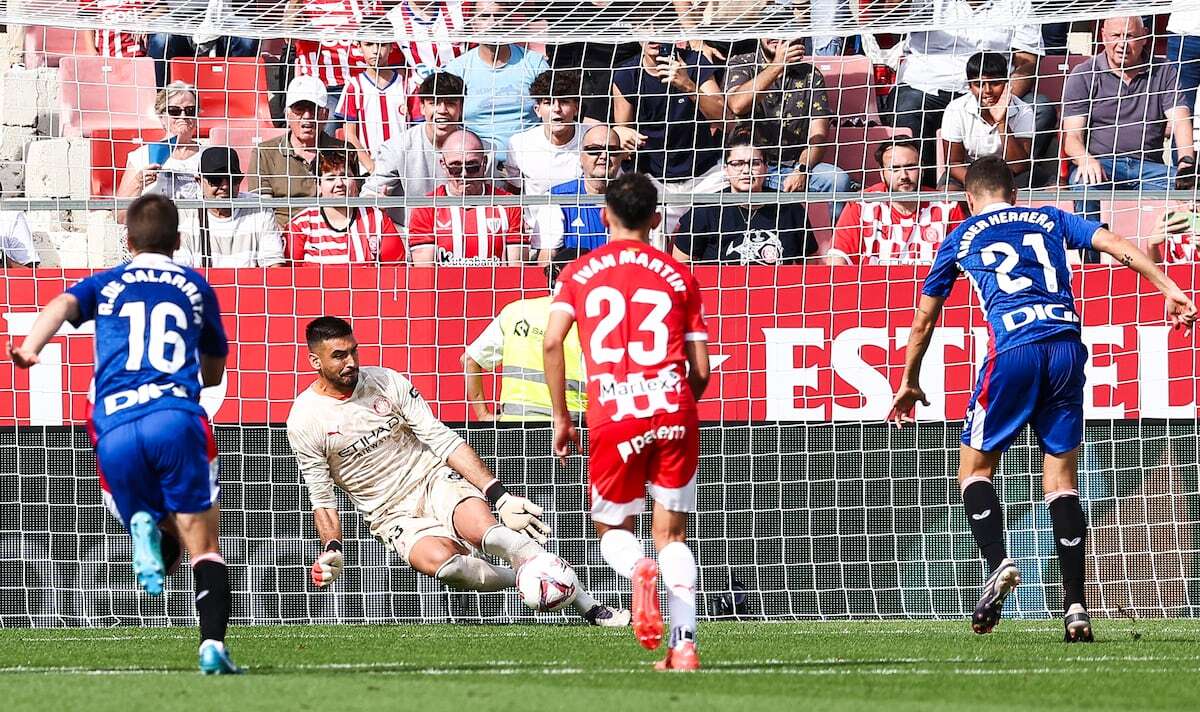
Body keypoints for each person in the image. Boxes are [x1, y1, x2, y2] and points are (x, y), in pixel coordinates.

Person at [889, 155, 1198, 643]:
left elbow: (923, 321)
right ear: (1014, 192)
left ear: (970, 198)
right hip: (1067, 350)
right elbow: (1115, 245)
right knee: (1060, 480)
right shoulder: (1049, 217)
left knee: (974, 471)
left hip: (1013, 349)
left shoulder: (962, 236)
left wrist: (908, 380)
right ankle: (1076, 607)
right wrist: (1170, 289)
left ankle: (997, 565)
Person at [8, 194, 242, 673]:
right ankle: (212, 646)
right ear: (178, 241)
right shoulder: (195, 285)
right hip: (176, 418)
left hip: (114, 422)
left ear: (128, 240)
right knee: (206, 548)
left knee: (139, 505)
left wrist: (31, 347)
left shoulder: (110, 281)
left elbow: (61, 303)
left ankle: (143, 523)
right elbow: (215, 372)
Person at [286, 316, 628, 627]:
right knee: (448, 567)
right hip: (390, 513)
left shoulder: (385, 382)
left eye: (354, 352)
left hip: (433, 479)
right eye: (339, 356)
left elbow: (441, 438)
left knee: (487, 533)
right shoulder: (305, 419)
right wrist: (332, 546)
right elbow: (322, 494)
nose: (351, 362)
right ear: (315, 361)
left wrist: (500, 495)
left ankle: (590, 607)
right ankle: (532, 575)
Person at [543, 173, 711, 671]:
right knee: (674, 537)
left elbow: (552, 342)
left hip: (614, 413)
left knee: (614, 529)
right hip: (674, 407)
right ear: (657, 219)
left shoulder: (578, 272)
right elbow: (699, 367)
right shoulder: (680, 275)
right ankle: (684, 647)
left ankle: (638, 567)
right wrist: (679, 402)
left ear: (604, 216)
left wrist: (561, 417)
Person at [886, 0, 1051, 187]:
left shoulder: (1017, 4)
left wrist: (1003, 99)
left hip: (992, 89)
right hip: (927, 86)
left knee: (1041, 109)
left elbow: (1027, 62)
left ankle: (1007, 181)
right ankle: (922, 190)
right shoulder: (927, 2)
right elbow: (888, 16)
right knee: (907, 107)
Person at [1063, 16, 1196, 224]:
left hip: (1149, 168)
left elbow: (1180, 120)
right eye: (1116, 36)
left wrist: (1186, 165)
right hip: (1102, 165)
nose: (1122, 44)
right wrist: (1085, 159)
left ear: (1144, 37)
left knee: (1192, 190)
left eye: (1130, 36)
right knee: (1084, 184)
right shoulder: (1084, 74)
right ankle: (1091, 256)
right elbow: (1072, 137)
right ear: (1103, 36)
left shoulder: (1164, 70)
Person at [723, 37, 854, 221]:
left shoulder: (810, 74)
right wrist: (777, 65)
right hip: (748, 166)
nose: (778, 36)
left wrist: (802, 169)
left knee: (837, 180)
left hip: (791, 166)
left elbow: (819, 135)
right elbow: (737, 105)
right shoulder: (742, 63)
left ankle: (832, 246)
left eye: (785, 30)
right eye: (771, 29)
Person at [612, 41, 727, 234]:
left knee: (724, 221)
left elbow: (723, 117)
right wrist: (619, 134)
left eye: (661, 26)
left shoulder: (694, 62)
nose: (654, 34)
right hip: (653, 179)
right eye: (647, 26)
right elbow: (625, 144)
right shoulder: (626, 74)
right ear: (636, 33)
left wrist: (688, 86)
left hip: (703, 175)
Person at [463, 259, 587, 422]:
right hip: (573, 426)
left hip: (515, 425)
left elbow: (469, 359)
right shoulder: (592, 320)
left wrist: (482, 415)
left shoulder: (516, 311)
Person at [673, 134, 815, 265]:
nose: (746, 170)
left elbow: (810, 263)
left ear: (766, 168)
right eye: (737, 164)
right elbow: (680, 263)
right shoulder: (705, 210)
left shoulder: (790, 208)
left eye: (754, 163)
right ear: (726, 170)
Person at [828, 140, 967, 265]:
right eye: (894, 168)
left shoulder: (947, 206)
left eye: (911, 167)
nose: (904, 176)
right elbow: (838, 257)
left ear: (922, 170)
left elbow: (964, 257)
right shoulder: (861, 205)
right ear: (882, 174)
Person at [444, 0, 549, 165]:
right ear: (473, 24)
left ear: (509, 22)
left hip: (531, 160)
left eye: (499, 15)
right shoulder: (457, 70)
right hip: (476, 166)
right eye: (485, 16)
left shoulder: (535, 64)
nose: (493, 23)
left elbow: (551, 114)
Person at [248, 75, 357, 228]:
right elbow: (262, 213)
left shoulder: (344, 151)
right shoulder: (265, 153)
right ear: (287, 114)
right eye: (299, 109)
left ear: (325, 115)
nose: (307, 116)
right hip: (284, 236)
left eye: (313, 109)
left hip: (335, 233)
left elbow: (355, 203)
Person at [407, 130, 526, 265]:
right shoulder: (426, 208)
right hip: (445, 286)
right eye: (455, 167)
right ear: (443, 165)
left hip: (495, 285)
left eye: (472, 166)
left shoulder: (509, 205)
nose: (464, 174)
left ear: (484, 163)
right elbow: (425, 274)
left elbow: (517, 270)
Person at [362, 72, 467, 225]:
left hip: (463, 232)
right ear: (422, 107)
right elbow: (369, 194)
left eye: (450, 103)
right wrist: (377, 201)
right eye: (434, 103)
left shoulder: (479, 150)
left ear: (461, 109)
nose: (442, 110)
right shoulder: (397, 148)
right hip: (407, 234)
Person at [531, 124, 626, 264]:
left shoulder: (633, 200)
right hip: (575, 283)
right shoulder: (557, 199)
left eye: (612, 150)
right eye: (594, 150)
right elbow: (546, 258)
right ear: (581, 157)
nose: (604, 156)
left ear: (621, 157)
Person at [177, 146, 286, 268]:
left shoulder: (259, 208)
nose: (225, 186)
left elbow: (274, 266)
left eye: (233, 179)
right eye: (216, 180)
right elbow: (180, 270)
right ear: (199, 181)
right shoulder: (184, 213)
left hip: (249, 285)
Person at [286, 152, 405, 263]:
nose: (339, 184)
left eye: (345, 176)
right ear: (318, 185)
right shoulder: (300, 226)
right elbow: (287, 278)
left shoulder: (377, 220)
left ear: (356, 181)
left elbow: (397, 271)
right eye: (330, 178)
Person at [940, 51, 1036, 188]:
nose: (987, 91)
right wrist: (980, 185)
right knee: (949, 193)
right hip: (969, 173)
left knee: (1049, 188)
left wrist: (1002, 122)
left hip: (1010, 174)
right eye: (979, 85)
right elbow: (953, 163)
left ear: (1006, 82)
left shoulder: (1023, 110)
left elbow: (1019, 165)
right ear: (970, 86)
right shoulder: (955, 109)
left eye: (995, 83)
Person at [116, 82, 203, 223]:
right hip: (156, 233)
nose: (183, 116)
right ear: (161, 116)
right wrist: (138, 182)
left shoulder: (209, 156)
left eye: (190, 110)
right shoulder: (142, 156)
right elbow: (121, 216)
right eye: (174, 110)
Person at [505, 70, 586, 196]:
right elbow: (514, 191)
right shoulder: (519, 144)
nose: (557, 109)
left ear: (576, 108)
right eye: (548, 102)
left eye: (564, 102)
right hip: (537, 216)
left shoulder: (593, 139)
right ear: (537, 110)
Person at [337, 38, 409, 173]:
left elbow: (418, 129)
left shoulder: (407, 86)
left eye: (382, 44)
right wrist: (371, 167)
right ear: (358, 47)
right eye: (369, 44)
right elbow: (350, 134)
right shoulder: (354, 86)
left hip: (404, 169)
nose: (376, 51)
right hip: (370, 172)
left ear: (391, 46)